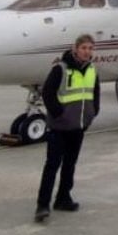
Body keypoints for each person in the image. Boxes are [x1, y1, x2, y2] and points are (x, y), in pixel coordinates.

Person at [35, 34, 100, 222]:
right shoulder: (60, 69)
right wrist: (58, 114)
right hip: (59, 128)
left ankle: (63, 198)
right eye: (84, 48)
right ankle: (42, 205)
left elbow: (95, 93)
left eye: (90, 48)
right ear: (75, 48)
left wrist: (92, 113)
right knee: (52, 166)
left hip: (78, 127)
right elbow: (48, 92)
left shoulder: (92, 70)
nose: (87, 52)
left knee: (70, 165)